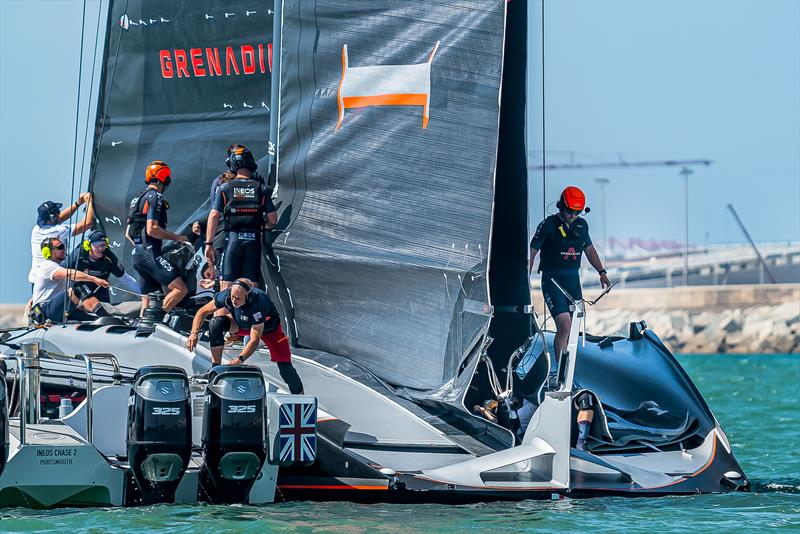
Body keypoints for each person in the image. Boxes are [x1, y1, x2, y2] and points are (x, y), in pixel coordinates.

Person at [529, 186, 610, 362]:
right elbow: (532, 252)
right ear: (561, 206)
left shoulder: (582, 226)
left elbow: (590, 250)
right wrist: (524, 277)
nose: (573, 215)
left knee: (574, 328)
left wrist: (601, 272)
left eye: (577, 212)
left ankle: (570, 371)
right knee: (565, 325)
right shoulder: (548, 225)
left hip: (573, 281)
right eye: (570, 211)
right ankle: (560, 372)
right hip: (552, 280)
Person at [186, 278, 304, 394]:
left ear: (248, 297)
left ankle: (300, 397)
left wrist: (239, 359)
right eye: (232, 297)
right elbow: (202, 311)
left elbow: (254, 340)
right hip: (241, 324)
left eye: (238, 299)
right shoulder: (227, 295)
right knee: (215, 323)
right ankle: (215, 369)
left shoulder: (258, 303)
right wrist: (194, 333)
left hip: (269, 330)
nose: (234, 301)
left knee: (285, 368)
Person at [204, 146, 277, 288]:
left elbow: (213, 216)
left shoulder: (225, 187)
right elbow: (273, 219)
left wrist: (208, 244)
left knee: (226, 292)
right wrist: (264, 225)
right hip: (253, 242)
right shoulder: (261, 188)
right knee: (251, 291)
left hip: (232, 240)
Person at [125, 160, 189, 313]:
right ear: (165, 179)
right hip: (150, 253)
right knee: (180, 289)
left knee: (148, 300)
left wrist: (141, 249)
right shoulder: (156, 196)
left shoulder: (136, 199)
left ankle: (141, 329)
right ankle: (156, 320)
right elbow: (152, 229)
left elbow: (128, 233)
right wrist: (178, 238)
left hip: (137, 256)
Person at [30, 237, 111, 324]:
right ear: (49, 251)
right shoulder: (47, 265)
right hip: (45, 312)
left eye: (64, 246)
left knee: (95, 321)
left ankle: (107, 319)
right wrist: (95, 279)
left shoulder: (58, 267)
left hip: (58, 309)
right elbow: (71, 274)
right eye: (60, 247)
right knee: (77, 287)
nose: (64, 249)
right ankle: (105, 316)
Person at [28, 193, 95, 287]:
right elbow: (87, 224)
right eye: (57, 213)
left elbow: (60, 218)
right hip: (51, 279)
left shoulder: (36, 229)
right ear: (52, 217)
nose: (59, 214)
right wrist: (89, 202)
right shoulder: (57, 230)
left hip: (37, 281)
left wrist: (78, 203)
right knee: (82, 249)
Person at [64, 229, 133, 307]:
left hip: (101, 289)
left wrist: (143, 295)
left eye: (103, 245)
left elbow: (125, 278)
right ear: (88, 245)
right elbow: (61, 272)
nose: (101, 248)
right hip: (80, 288)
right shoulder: (77, 256)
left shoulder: (109, 257)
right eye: (97, 245)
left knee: (104, 312)